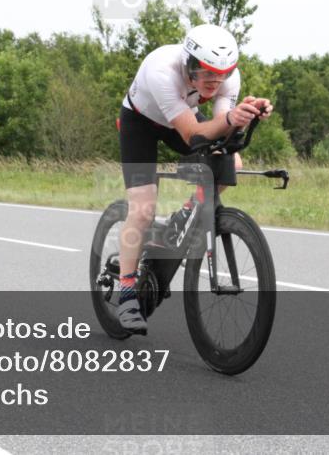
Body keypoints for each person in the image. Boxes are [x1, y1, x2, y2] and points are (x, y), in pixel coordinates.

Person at [115, 24, 273, 334]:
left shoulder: (228, 77)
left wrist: (246, 113)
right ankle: (127, 291)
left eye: (223, 73)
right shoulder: (163, 71)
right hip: (141, 123)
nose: (216, 81)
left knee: (232, 160)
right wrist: (229, 119)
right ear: (189, 64)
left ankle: (187, 212)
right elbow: (192, 134)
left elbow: (219, 129)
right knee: (144, 207)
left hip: (178, 118)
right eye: (206, 72)